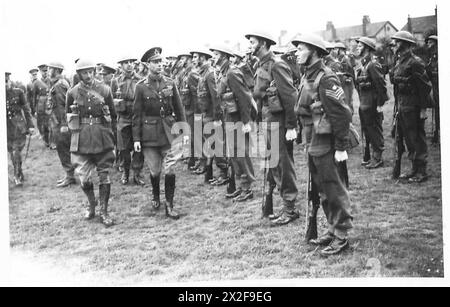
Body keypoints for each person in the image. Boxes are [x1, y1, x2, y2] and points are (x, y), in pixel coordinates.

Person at [292, 34, 353, 256]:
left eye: (301, 49)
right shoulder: (307, 75)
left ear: (315, 51)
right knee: (322, 188)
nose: (297, 53)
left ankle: (342, 235)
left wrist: (340, 147)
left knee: (334, 188)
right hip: (313, 140)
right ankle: (332, 228)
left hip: (326, 143)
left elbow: (341, 115)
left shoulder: (326, 78)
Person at [245, 31, 299, 226]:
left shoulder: (277, 64)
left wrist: (292, 126)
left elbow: (290, 96)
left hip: (279, 123)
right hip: (268, 123)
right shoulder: (261, 65)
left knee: (283, 166)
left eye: (252, 42)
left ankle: (290, 208)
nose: (249, 46)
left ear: (263, 43)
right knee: (274, 165)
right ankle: (287, 205)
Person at [132, 47, 187, 219]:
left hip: (169, 132)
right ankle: (156, 195)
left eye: (160, 61)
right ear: (148, 65)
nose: (160, 65)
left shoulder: (170, 83)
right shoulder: (140, 87)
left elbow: (179, 109)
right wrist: (136, 139)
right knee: (155, 171)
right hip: (149, 135)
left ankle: (169, 205)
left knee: (170, 170)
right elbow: (136, 114)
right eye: (156, 62)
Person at [66, 59, 117, 227]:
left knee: (104, 176)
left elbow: (114, 116)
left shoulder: (105, 89)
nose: (88, 75)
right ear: (79, 74)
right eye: (84, 73)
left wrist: (113, 137)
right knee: (84, 179)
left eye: (90, 72)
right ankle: (91, 203)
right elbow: (68, 117)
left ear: (94, 72)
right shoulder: (72, 93)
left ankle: (104, 211)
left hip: (102, 137)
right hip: (82, 140)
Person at [210, 45, 256, 202]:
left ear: (223, 56)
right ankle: (241, 186)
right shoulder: (224, 72)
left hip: (237, 119)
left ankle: (247, 187)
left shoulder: (232, 72)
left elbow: (244, 97)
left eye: (215, 54)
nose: (213, 58)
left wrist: (245, 121)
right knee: (234, 154)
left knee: (241, 153)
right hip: (229, 117)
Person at [391, 31, 432, 183]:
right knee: (408, 138)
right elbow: (394, 81)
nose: (394, 44)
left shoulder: (415, 62)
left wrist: (423, 109)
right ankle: (414, 169)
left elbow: (425, 87)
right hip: (403, 105)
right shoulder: (399, 61)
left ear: (405, 44)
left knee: (417, 138)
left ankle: (421, 172)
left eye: (397, 41)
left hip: (414, 105)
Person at [190, 49, 228, 183]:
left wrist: (217, 118)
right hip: (206, 115)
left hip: (212, 116)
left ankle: (224, 174)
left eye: (195, 57)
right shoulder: (203, 73)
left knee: (217, 146)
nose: (193, 60)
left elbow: (216, 97)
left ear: (202, 57)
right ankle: (218, 172)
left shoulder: (209, 74)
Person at [354, 37, 389, 169]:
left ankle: (378, 158)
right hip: (364, 104)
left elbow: (381, 86)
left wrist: (380, 105)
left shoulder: (373, 64)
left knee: (375, 130)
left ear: (367, 48)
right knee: (368, 130)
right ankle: (372, 156)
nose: (357, 47)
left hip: (373, 104)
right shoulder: (362, 64)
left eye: (360, 45)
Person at [111, 55, 145, 185]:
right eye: (126, 63)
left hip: (138, 119)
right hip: (123, 119)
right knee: (124, 149)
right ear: (121, 65)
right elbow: (112, 99)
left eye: (131, 62)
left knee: (139, 148)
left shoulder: (141, 80)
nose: (129, 65)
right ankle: (125, 172)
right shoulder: (116, 81)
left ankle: (137, 173)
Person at [47, 62, 76, 187]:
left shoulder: (59, 85)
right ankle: (69, 175)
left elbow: (65, 105)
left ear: (56, 70)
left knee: (63, 149)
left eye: (50, 69)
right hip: (57, 122)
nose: (48, 71)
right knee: (63, 149)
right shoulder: (58, 83)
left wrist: (64, 124)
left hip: (61, 124)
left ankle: (70, 176)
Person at [6, 71, 35, 187]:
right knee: (12, 152)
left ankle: (17, 175)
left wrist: (31, 125)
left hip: (18, 127)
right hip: (6, 128)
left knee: (15, 151)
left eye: (6, 81)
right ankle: (19, 171)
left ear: (9, 80)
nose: (5, 84)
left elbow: (26, 109)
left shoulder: (18, 92)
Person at [176, 52, 199, 169]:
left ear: (189, 59)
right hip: (186, 108)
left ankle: (193, 158)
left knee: (193, 134)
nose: (180, 60)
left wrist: (197, 112)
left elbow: (197, 94)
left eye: (183, 58)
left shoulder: (192, 74)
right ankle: (189, 156)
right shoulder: (185, 73)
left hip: (192, 110)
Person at [33, 64, 52, 147]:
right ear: (40, 72)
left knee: (51, 123)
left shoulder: (51, 80)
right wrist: (34, 109)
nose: (45, 72)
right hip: (41, 105)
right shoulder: (36, 83)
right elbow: (34, 96)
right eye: (43, 71)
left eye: (46, 71)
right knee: (43, 124)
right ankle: (46, 140)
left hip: (50, 104)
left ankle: (52, 141)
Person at [334, 42, 355, 114]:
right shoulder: (341, 58)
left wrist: (343, 74)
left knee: (347, 100)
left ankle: (349, 118)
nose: (335, 51)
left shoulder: (345, 58)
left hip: (347, 81)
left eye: (336, 49)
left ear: (340, 50)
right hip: (344, 81)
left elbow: (349, 71)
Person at [426, 35, 439, 144]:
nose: (428, 44)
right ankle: (436, 132)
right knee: (437, 108)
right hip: (435, 86)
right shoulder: (431, 57)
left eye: (430, 42)